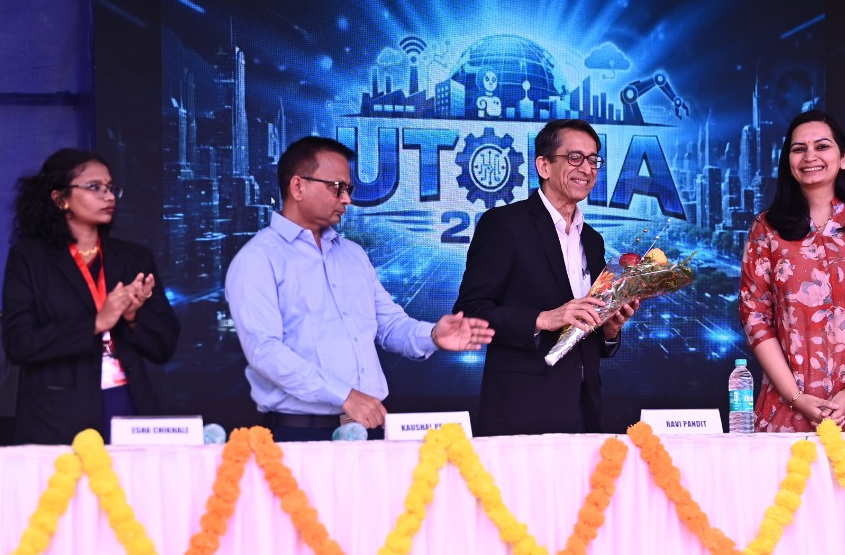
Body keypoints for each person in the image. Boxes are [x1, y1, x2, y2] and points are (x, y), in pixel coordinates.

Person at [226, 135, 493, 442]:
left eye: (348, 189)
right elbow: (265, 351)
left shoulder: (353, 255)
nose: (347, 200)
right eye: (336, 188)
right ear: (298, 187)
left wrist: (433, 336)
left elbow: (390, 326)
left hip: (369, 428)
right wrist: (345, 396)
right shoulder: (258, 259)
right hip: (301, 434)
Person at [453, 118, 638, 436]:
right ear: (544, 166)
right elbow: (469, 312)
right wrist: (543, 319)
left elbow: (582, 336)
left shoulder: (592, 241)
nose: (587, 168)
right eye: (575, 157)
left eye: (593, 159)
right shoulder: (505, 225)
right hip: (522, 411)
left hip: (585, 411)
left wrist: (609, 329)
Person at [737, 109, 845, 432]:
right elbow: (755, 317)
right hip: (791, 404)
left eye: (822, 146)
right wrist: (796, 398)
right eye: (799, 149)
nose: (810, 156)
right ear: (788, 163)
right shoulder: (766, 229)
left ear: (843, 158)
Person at [1, 148, 180, 445]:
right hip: (57, 415)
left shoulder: (134, 258)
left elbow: (164, 347)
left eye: (110, 188)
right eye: (94, 187)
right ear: (60, 198)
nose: (108, 196)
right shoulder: (29, 259)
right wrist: (97, 323)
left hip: (127, 403)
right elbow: (19, 344)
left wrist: (133, 317)